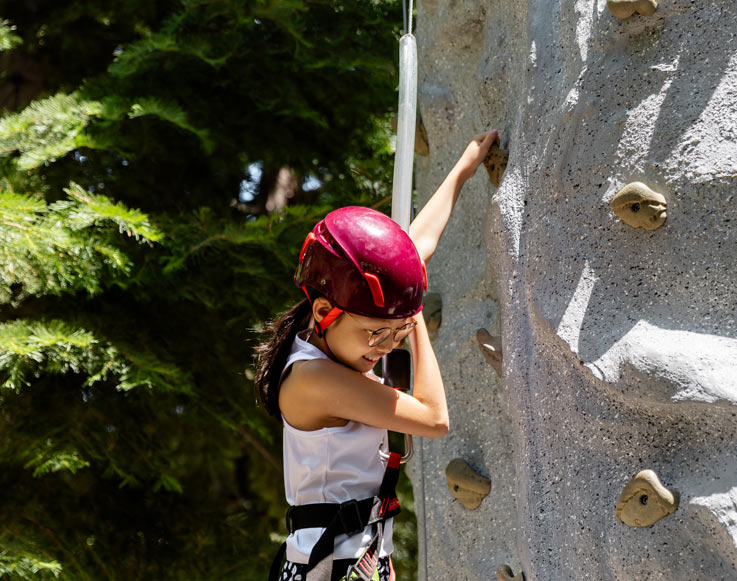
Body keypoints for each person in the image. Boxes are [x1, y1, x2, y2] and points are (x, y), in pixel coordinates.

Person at [257, 130, 498, 581]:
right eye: (377, 333)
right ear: (325, 311)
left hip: (354, 560)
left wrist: (464, 166)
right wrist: (414, 315)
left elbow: (414, 248)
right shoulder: (314, 380)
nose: (386, 346)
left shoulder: (329, 338)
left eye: (395, 334)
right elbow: (433, 418)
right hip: (332, 565)